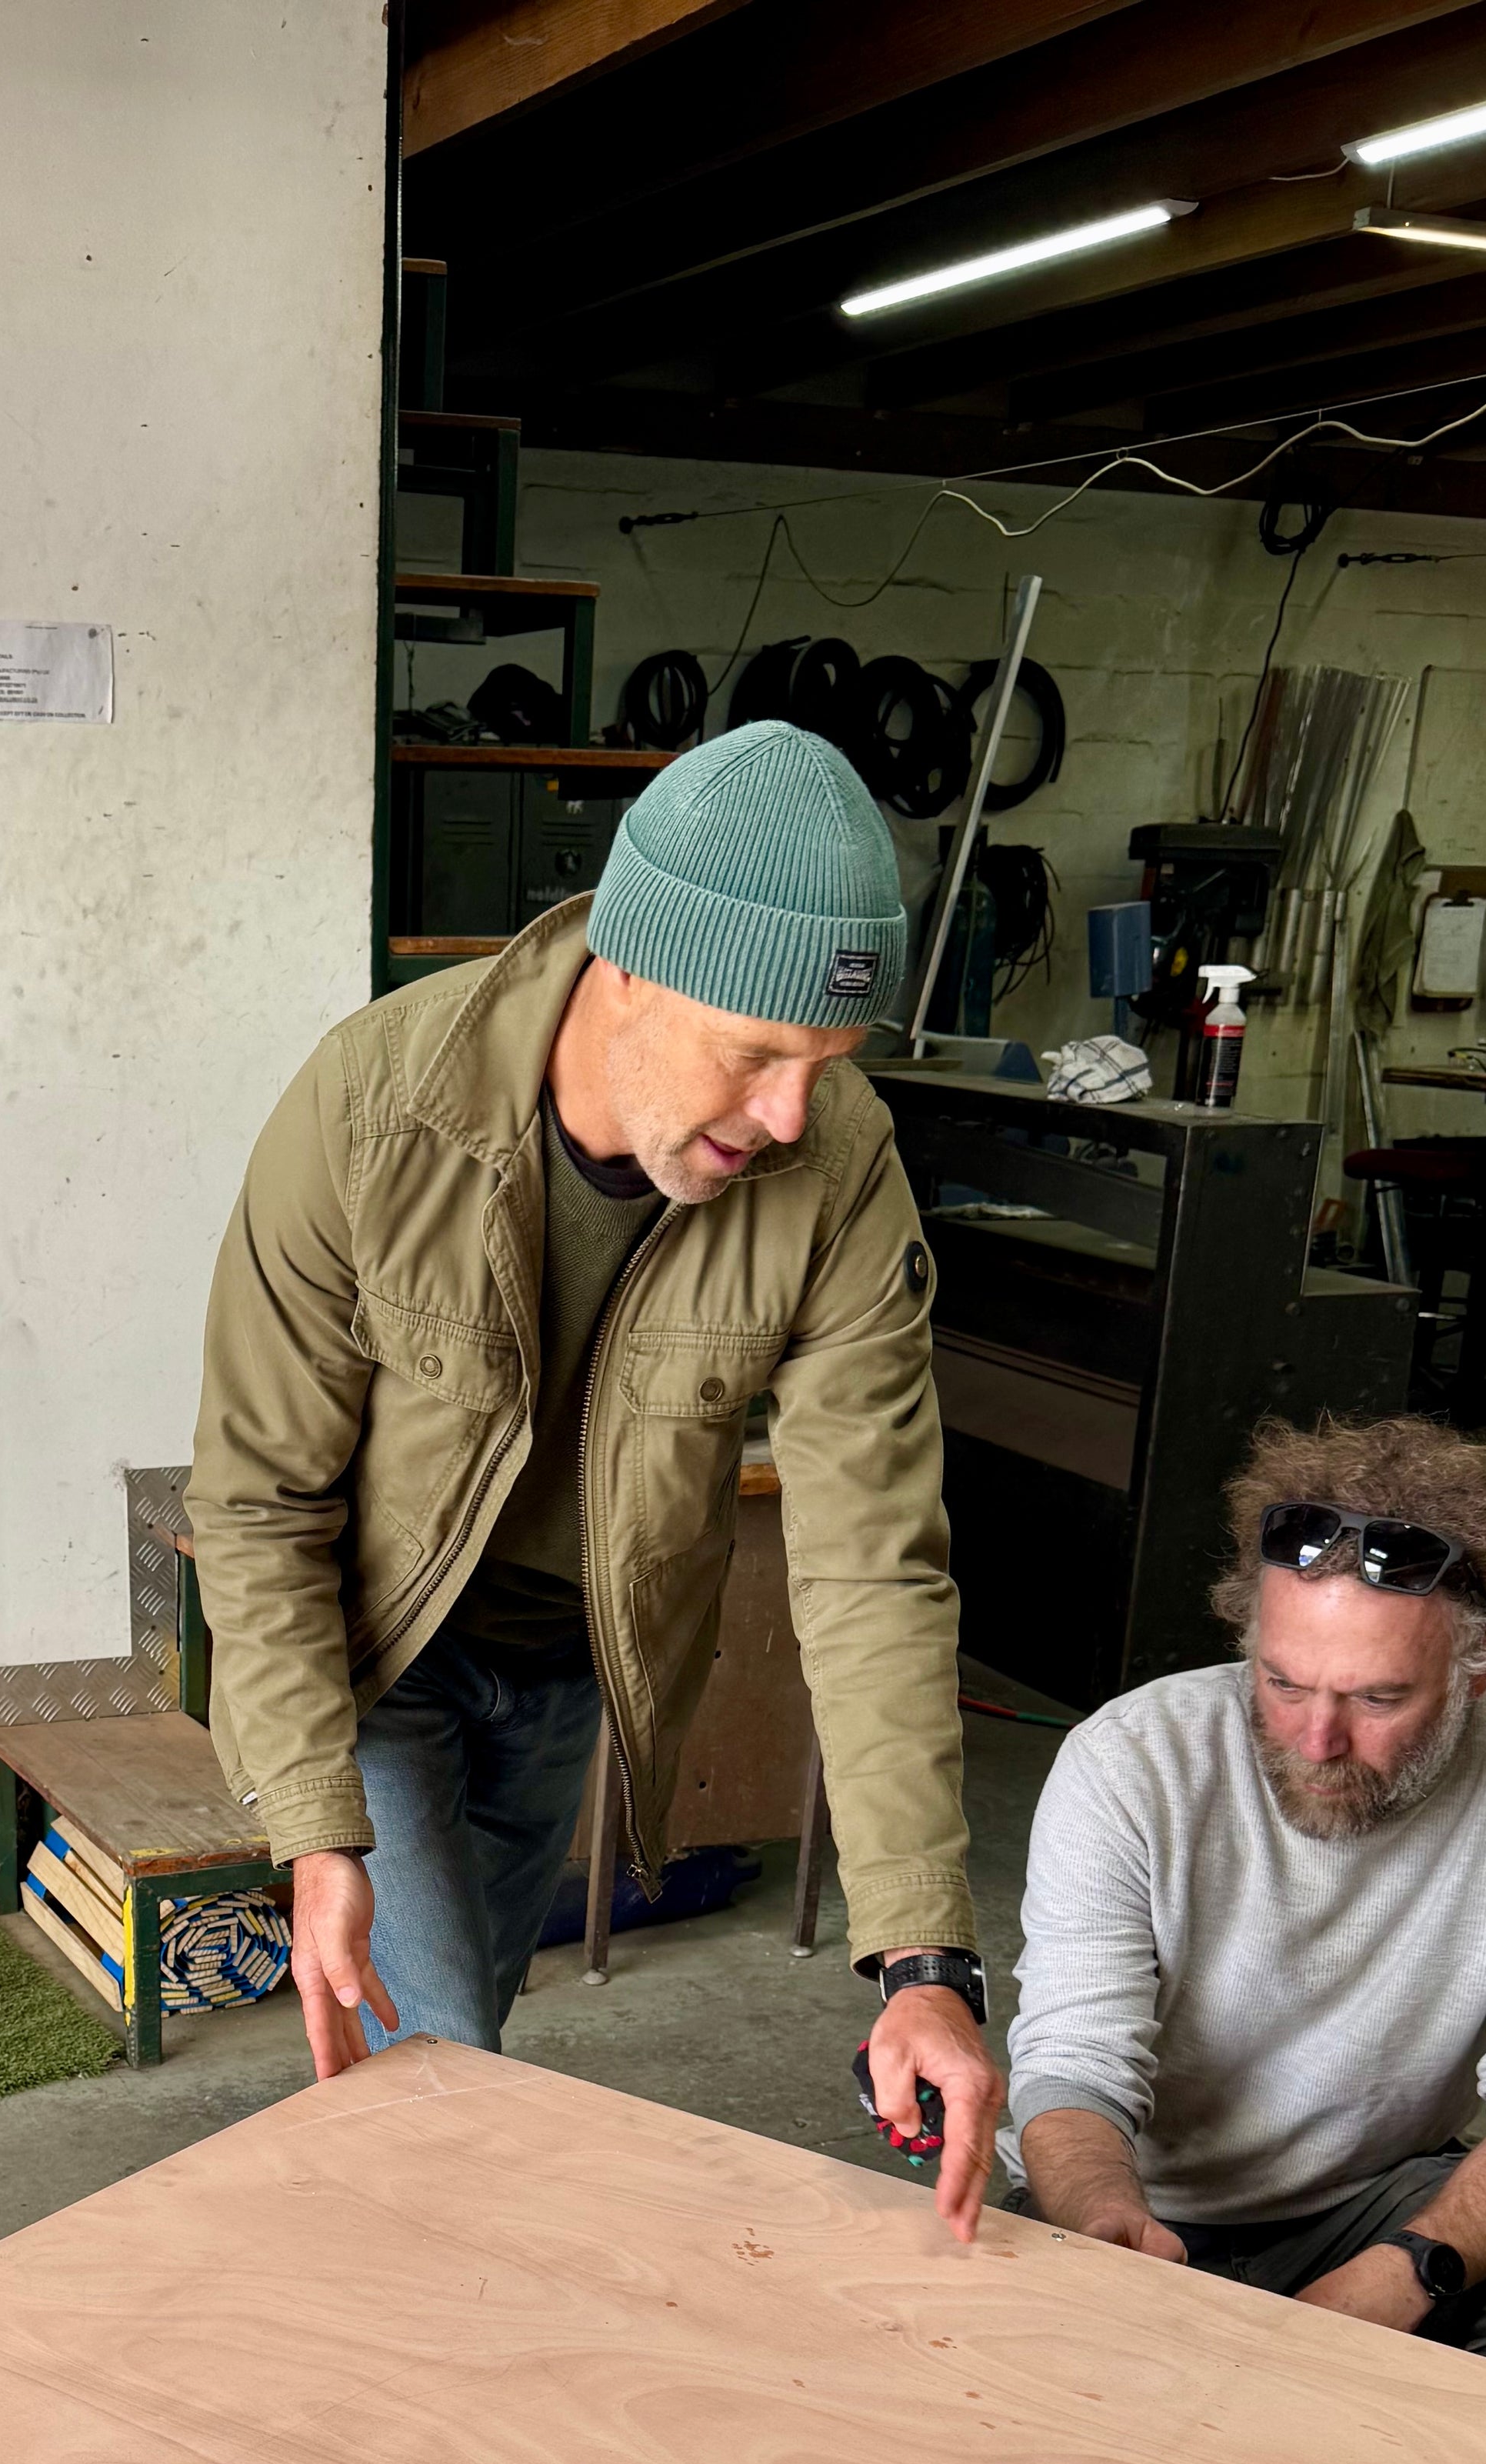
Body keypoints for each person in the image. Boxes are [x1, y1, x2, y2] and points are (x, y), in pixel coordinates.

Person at [185, 720, 1004, 2233]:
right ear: (622, 968)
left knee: (450, 2053)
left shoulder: (838, 1166)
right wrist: (311, 1818)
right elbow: (254, 1496)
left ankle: (371, 2318)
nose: (784, 1120)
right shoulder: (376, 1109)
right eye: (755, 1052)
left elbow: (874, 1559)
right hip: (388, 1659)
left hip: (571, 1679)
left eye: (824, 1066)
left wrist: (923, 1961)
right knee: (442, 2079)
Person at [1003, 1414, 1486, 2392]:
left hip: (1376, 2201)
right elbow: (1071, 2059)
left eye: (1379, 1699)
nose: (1316, 1739)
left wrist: (1402, 2277)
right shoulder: (1129, 1757)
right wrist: (1104, 2218)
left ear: (1485, 1664)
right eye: (1282, 1681)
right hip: (1152, 2195)